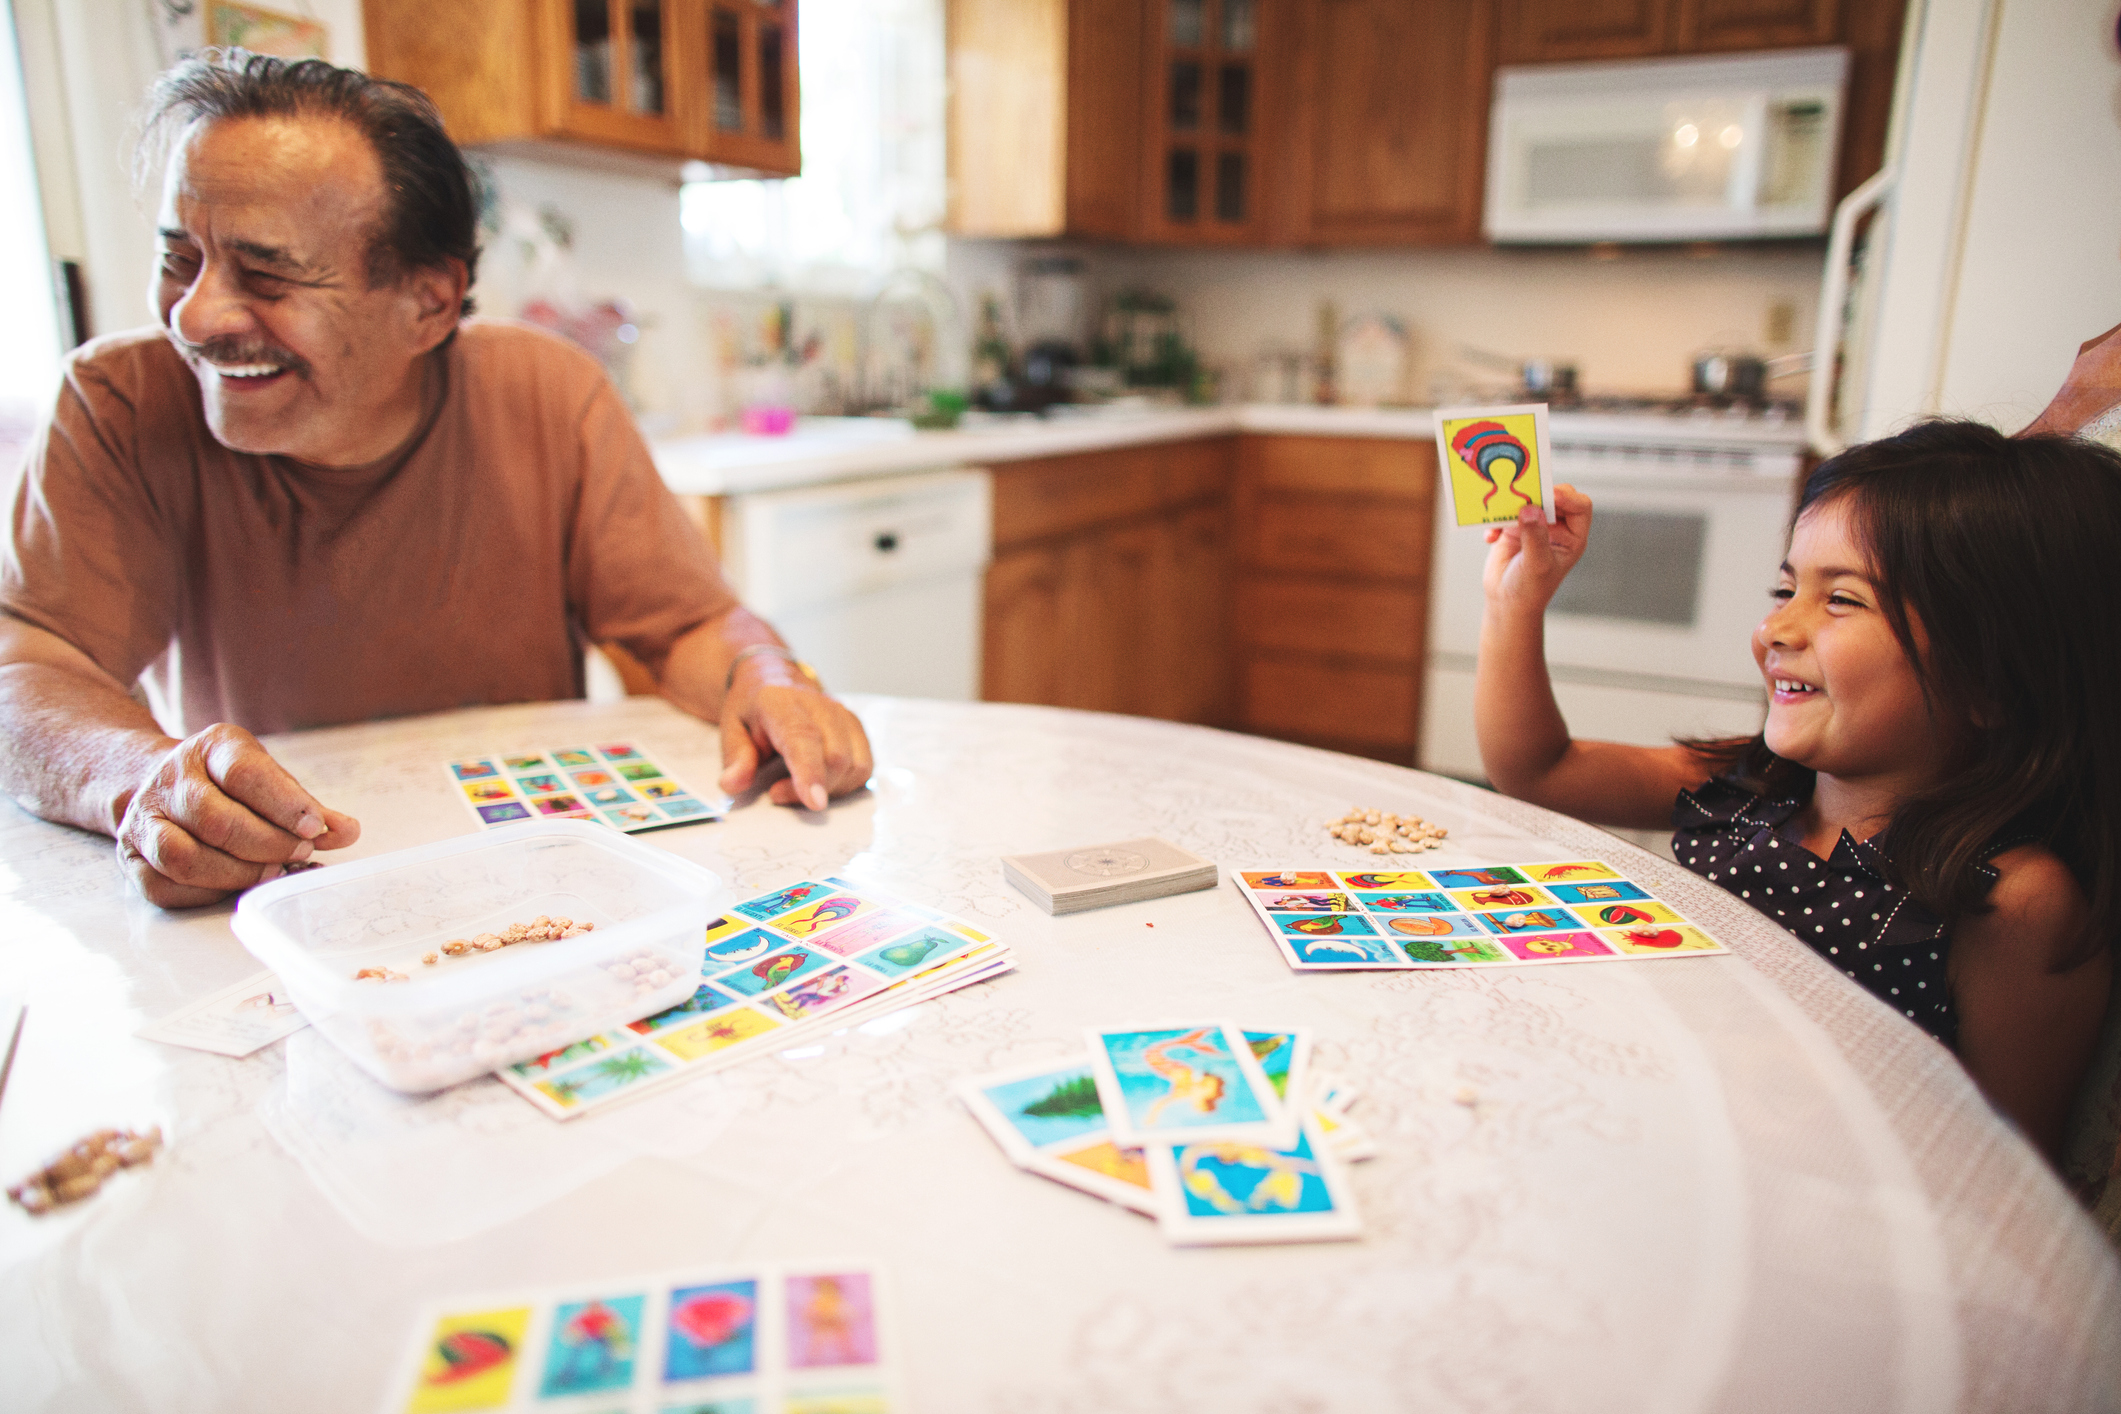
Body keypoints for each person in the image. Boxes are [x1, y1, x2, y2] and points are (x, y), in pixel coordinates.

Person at [0, 52, 871, 909]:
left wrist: (768, 675)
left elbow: (684, 627)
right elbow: (28, 669)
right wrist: (141, 779)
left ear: (428, 303)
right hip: (275, 895)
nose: (195, 315)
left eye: (265, 275)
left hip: (527, 881)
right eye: (179, 258)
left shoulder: (549, 391)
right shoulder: (115, 402)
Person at [1474, 420, 2120, 1163]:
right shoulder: (1746, 789)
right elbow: (1538, 768)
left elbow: (2009, 1179)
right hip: (1655, 1128)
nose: (1777, 626)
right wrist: (1511, 603)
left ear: (1992, 678)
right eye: (1785, 587)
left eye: (1840, 600)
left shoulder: (2013, 900)